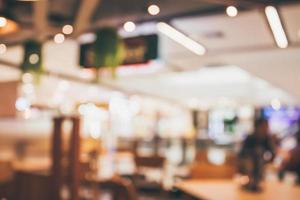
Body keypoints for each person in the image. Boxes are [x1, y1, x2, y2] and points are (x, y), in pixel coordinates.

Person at [238, 118, 276, 191]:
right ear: (257, 127)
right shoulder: (250, 137)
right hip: (249, 162)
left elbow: (272, 152)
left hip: (259, 163)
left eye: (267, 126)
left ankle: (255, 183)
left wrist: (267, 161)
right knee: (256, 155)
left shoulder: (266, 138)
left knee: (258, 156)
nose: (266, 128)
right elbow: (242, 153)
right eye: (264, 126)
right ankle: (251, 183)